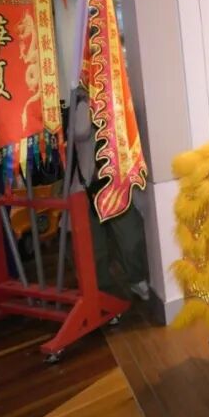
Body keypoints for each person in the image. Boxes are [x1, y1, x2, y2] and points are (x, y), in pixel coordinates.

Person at [71, 88, 150, 300]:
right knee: (95, 249)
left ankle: (137, 279)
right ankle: (102, 294)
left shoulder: (118, 99)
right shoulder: (82, 106)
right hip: (89, 187)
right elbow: (80, 131)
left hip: (115, 186)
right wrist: (89, 101)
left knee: (131, 237)